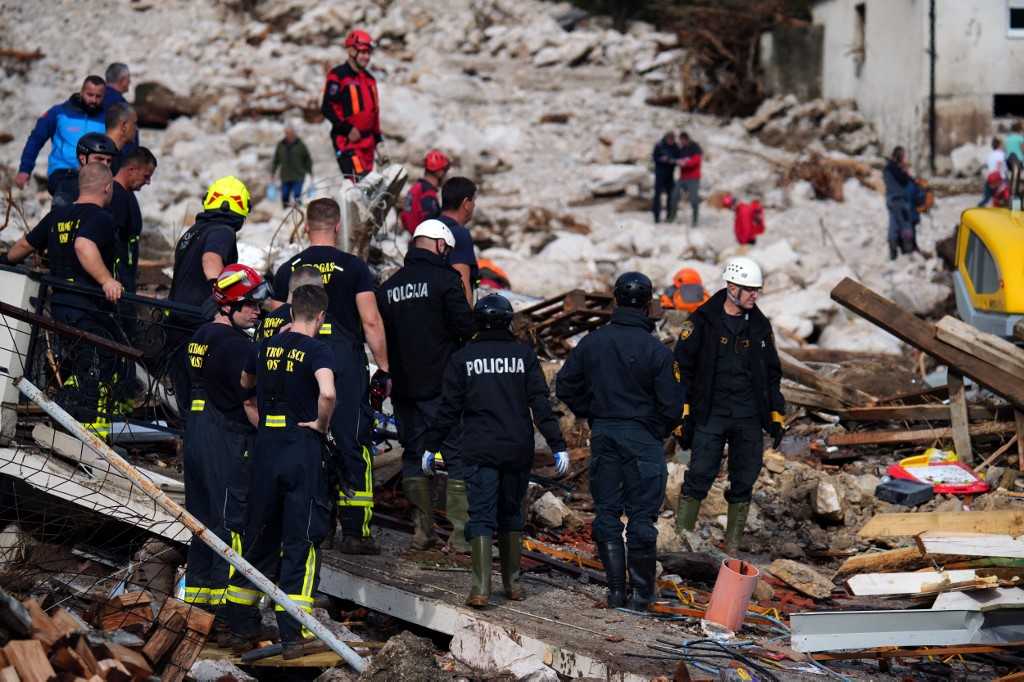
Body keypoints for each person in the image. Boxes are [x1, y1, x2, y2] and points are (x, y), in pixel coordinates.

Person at [422, 294, 568, 607]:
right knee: (512, 513)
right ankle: (513, 585)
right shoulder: (524, 356)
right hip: (517, 448)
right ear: (507, 320)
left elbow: (448, 409)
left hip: (479, 448)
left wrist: (431, 446)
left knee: (482, 516)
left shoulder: (463, 358)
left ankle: (480, 590)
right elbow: (541, 404)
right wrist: (558, 444)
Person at [556, 272, 682, 611]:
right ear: (648, 305)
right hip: (642, 438)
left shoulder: (593, 342)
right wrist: (655, 429)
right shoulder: (657, 351)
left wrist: (593, 413)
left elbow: (565, 384)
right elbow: (673, 407)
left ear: (616, 301)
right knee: (642, 517)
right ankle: (642, 595)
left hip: (606, 434)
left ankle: (615, 591)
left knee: (607, 512)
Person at [270, 198, 390, 555]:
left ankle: (310, 522)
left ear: (306, 226)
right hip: (342, 361)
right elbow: (370, 320)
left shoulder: (288, 268)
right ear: (338, 226)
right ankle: (355, 531)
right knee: (351, 438)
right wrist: (384, 367)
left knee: (306, 436)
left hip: (298, 359)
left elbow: (278, 323)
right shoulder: (353, 268)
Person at [223, 285, 335, 657]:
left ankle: (239, 622)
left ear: (291, 313)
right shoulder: (318, 349)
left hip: (266, 447)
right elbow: (329, 393)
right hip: (301, 448)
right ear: (319, 316)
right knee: (300, 540)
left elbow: (245, 385)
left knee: (258, 533)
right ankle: (293, 633)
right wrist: (320, 423)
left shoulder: (266, 346)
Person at [673, 257, 785, 554]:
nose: (754, 295)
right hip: (711, 412)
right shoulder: (702, 321)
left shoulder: (760, 327)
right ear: (732, 287)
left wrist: (776, 412)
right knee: (699, 474)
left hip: (748, 415)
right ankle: (681, 539)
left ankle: (733, 546)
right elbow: (681, 369)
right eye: (749, 290)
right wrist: (681, 413)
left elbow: (772, 373)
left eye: (757, 290)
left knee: (745, 478)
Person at [377, 219, 476, 551]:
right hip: (443, 387)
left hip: (404, 388)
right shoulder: (446, 280)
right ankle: (462, 535)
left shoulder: (388, 288)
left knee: (414, 455)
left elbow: (378, 334)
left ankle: (423, 532)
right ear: (439, 245)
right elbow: (466, 327)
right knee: (457, 455)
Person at [3, 163, 122, 438]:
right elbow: (84, 245)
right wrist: (107, 280)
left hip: (60, 307)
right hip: (89, 308)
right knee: (95, 370)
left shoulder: (58, 215)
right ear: (108, 187)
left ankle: (66, 420)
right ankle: (90, 438)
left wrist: (5, 262)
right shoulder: (101, 218)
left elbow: (23, 246)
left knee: (76, 367)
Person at [182, 264, 267, 614]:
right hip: (227, 436)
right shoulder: (235, 346)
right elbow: (248, 402)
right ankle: (230, 610)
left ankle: (199, 606)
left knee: (201, 519)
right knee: (231, 520)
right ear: (229, 305)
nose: (258, 311)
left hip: (197, 428)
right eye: (251, 305)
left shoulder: (199, 336)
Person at [167, 176, 250, 418]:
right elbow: (211, 260)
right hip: (199, 322)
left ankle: (189, 443)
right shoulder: (223, 231)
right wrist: (221, 295)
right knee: (207, 395)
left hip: (175, 321)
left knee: (186, 396)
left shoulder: (192, 232)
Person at [16, 75, 107, 205]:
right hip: (63, 171)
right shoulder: (59, 113)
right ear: (81, 92)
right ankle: (58, 221)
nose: (93, 100)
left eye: (98, 97)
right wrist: (25, 169)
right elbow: (36, 139)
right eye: (90, 95)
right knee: (67, 198)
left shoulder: (106, 119)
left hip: (94, 175)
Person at [321, 29, 381, 178]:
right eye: (363, 52)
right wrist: (347, 129)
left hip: (368, 144)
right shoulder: (338, 75)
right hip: (348, 142)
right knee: (360, 183)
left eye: (369, 53)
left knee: (370, 186)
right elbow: (327, 107)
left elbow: (374, 112)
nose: (366, 57)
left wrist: (379, 140)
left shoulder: (370, 79)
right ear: (351, 51)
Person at [109, 147, 157, 294]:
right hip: (118, 280)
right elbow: (111, 239)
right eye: (146, 176)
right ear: (132, 169)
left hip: (126, 275)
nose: (148, 182)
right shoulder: (116, 196)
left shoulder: (127, 194)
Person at [438, 177, 479, 304]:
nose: (474, 205)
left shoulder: (426, 228)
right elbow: (463, 283)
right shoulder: (459, 234)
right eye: (474, 201)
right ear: (466, 203)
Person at [400, 150, 450, 234]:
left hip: (413, 239)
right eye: (445, 171)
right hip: (423, 242)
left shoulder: (415, 188)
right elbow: (431, 223)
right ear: (439, 172)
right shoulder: (427, 193)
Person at [882, 147, 914, 260]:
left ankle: (893, 253)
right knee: (905, 224)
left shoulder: (887, 168)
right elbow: (906, 180)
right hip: (899, 200)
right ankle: (908, 250)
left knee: (893, 225)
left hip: (890, 199)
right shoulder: (896, 169)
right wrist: (905, 170)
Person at [271, 124, 313, 208]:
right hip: (285, 176)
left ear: (294, 133)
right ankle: (285, 212)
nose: (288, 135)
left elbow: (307, 159)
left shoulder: (300, 144)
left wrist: (310, 172)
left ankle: (299, 212)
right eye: (286, 133)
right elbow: (276, 160)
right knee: (285, 195)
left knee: (297, 195)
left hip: (298, 175)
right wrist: (273, 172)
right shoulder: (281, 144)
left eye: (290, 133)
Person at [668, 132, 702, 226]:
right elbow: (677, 159)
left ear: (686, 139)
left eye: (683, 140)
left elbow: (695, 161)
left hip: (693, 178)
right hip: (682, 177)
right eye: (680, 140)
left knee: (693, 199)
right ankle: (672, 216)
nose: (681, 142)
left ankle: (695, 219)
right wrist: (676, 161)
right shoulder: (681, 149)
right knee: (674, 195)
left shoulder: (695, 148)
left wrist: (685, 163)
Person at [651, 132, 678, 223]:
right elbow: (654, 158)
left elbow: (677, 158)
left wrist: (672, 161)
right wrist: (661, 160)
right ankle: (656, 217)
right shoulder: (659, 145)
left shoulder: (675, 147)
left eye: (672, 139)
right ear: (666, 139)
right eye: (669, 139)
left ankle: (669, 216)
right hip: (659, 174)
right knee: (657, 196)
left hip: (670, 174)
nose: (671, 141)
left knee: (670, 196)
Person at [105, 102, 139, 169]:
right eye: (134, 123)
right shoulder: (104, 158)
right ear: (124, 126)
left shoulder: (116, 155)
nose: (137, 128)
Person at [979, 137, 1007, 208]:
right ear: (1000, 145)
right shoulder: (1002, 155)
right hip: (1000, 180)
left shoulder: (990, 155)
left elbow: (986, 166)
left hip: (990, 179)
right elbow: (1000, 166)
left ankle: (976, 211)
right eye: (1003, 144)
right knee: (1006, 198)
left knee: (986, 199)